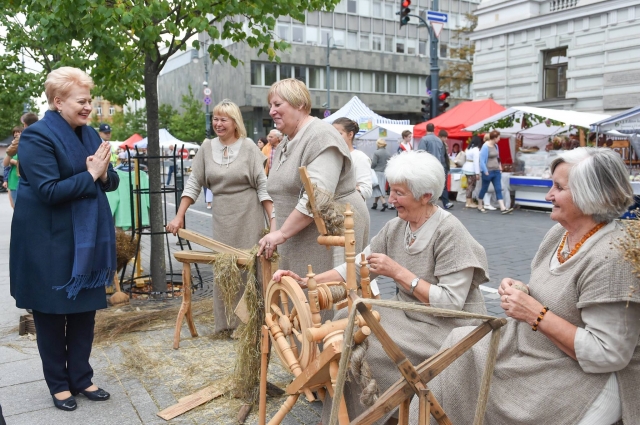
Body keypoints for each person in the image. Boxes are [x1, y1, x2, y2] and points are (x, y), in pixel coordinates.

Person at [425, 147, 640, 425]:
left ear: (591, 195)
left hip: (584, 375)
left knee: (469, 366)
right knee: (459, 346)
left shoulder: (611, 256)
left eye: (558, 187)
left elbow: (607, 354)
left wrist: (534, 313)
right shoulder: (559, 234)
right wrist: (523, 291)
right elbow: (560, 296)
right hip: (535, 349)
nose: (549, 195)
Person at [273, 151, 489, 423]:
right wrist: (310, 281)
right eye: (390, 191)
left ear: (425, 196)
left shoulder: (450, 233)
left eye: (399, 193)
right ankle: (348, 417)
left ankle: (382, 414)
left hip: (447, 327)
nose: (390, 200)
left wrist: (398, 272)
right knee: (345, 322)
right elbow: (358, 264)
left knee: (367, 350)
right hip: (408, 315)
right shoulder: (397, 226)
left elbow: (450, 304)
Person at [10, 67, 119, 411]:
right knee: (53, 314)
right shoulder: (37, 137)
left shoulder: (88, 135)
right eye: (82, 101)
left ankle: (82, 377)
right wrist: (91, 173)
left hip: (85, 242)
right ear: (58, 102)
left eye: (90, 100)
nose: (89, 107)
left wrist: (100, 175)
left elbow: (111, 180)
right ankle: (58, 383)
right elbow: (48, 191)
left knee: (86, 311)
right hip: (49, 240)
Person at [166, 99, 273, 333]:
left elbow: (263, 187)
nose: (218, 123)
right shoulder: (206, 147)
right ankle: (225, 325)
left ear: (235, 122)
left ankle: (248, 325)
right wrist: (179, 216)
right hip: (222, 215)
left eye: (224, 119)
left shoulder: (249, 148)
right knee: (224, 269)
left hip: (248, 214)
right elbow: (194, 183)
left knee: (248, 268)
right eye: (215, 118)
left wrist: (274, 224)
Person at [257, 78, 369, 278]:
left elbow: (318, 197)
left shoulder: (320, 137)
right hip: (297, 233)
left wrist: (281, 234)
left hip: (332, 232)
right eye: (270, 106)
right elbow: (279, 197)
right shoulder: (285, 142)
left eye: (277, 104)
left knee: (325, 298)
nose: (271, 111)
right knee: (298, 296)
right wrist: (274, 233)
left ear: (299, 103)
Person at [332, 117, 372, 200]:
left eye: (339, 134)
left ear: (350, 134)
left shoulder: (360, 157)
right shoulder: (331, 156)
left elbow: (366, 190)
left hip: (351, 209)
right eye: (332, 133)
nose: (334, 137)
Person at [418, 124, 453, 209]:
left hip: (427, 166)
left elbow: (421, 153)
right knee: (439, 185)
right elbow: (442, 155)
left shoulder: (424, 139)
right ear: (434, 129)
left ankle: (426, 202)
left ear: (426, 129)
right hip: (438, 166)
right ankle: (437, 202)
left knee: (426, 185)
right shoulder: (439, 141)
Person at [477, 130, 512, 214]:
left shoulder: (496, 146)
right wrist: (485, 171)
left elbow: (498, 157)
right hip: (488, 171)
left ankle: (502, 208)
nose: (499, 139)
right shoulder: (485, 147)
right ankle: (480, 204)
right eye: (498, 138)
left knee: (498, 188)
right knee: (484, 188)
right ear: (494, 138)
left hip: (496, 171)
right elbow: (481, 160)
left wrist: (500, 167)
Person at [3, 126, 22, 208]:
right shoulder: (12, 146)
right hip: (13, 180)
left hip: (24, 181)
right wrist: (5, 180)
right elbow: (5, 164)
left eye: (18, 133)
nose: (16, 135)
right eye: (15, 134)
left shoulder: (27, 145)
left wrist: (16, 162)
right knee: (15, 207)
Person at [370, 139, 391, 211]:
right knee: (380, 187)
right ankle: (375, 204)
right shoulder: (388, 153)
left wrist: (370, 167)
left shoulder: (376, 152)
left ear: (378, 144)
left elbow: (374, 163)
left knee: (377, 188)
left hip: (377, 172)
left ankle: (384, 203)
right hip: (384, 172)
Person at [462, 135, 482, 208]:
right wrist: (477, 173)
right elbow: (476, 162)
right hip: (472, 169)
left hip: (466, 167)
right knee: (471, 185)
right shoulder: (476, 150)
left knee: (469, 185)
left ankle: (469, 201)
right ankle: (468, 202)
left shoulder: (468, 148)